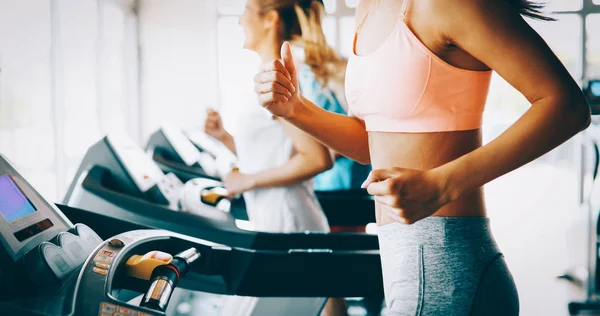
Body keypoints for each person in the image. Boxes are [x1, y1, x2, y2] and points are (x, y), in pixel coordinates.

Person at [253, 0, 592, 315]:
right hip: (403, 262)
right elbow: (372, 146)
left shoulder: (448, 4)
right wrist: (297, 110)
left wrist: (442, 185)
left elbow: (566, 107)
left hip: (448, 263)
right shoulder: (369, 9)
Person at [204, 0, 353, 314]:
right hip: (274, 217)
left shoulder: (278, 77)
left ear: (270, 19)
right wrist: (226, 139)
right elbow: (274, 153)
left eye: (246, 12)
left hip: (288, 218)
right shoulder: (267, 74)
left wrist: (249, 180)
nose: (240, 21)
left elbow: (317, 159)